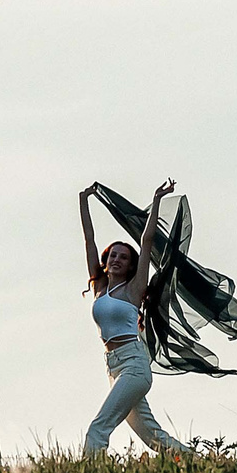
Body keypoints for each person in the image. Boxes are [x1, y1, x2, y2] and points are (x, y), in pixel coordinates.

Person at [78, 179, 193, 458]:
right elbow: (89, 240)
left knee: (98, 428)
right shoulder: (100, 287)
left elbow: (147, 240)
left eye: (123, 257)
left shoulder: (134, 289)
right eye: (113, 255)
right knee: (153, 437)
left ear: (130, 265)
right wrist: (83, 201)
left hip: (134, 365)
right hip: (114, 368)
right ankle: (200, 463)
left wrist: (155, 201)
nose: (116, 259)